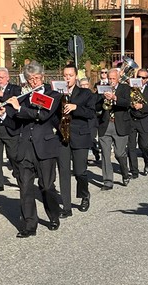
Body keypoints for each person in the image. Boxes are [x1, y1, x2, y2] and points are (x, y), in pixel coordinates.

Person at [6, 61, 62, 238]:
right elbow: (14, 121)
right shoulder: (23, 96)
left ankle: (54, 215)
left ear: (43, 77)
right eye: (30, 79)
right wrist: (5, 111)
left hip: (44, 146)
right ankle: (29, 225)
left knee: (46, 187)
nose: (34, 82)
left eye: (37, 78)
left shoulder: (53, 95)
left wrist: (20, 108)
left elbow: (43, 115)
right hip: (25, 147)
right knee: (25, 188)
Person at [56, 64, 95, 219]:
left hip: (80, 135)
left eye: (70, 75)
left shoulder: (85, 93)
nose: (67, 78)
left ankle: (84, 195)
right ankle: (66, 207)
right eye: (65, 75)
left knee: (80, 171)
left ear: (76, 76)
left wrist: (75, 107)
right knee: (64, 172)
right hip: (63, 137)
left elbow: (91, 113)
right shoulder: (58, 94)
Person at [97, 68, 131, 190]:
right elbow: (96, 106)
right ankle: (107, 181)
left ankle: (125, 173)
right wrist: (101, 97)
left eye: (113, 79)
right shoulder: (102, 87)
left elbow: (128, 103)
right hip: (105, 125)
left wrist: (115, 98)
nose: (111, 81)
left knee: (119, 153)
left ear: (118, 79)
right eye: (109, 79)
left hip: (120, 124)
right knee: (105, 154)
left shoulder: (125, 88)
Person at [128, 69, 148, 178]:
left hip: (144, 120)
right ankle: (134, 171)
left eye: (143, 78)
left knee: (143, 145)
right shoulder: (131, 88)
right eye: (139, 77)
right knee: (131, 146)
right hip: (132, 120)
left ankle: (147, 162)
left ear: (147, 79)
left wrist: (142, 107)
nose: (141, 79)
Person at [79, 77, 100, 162]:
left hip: (91, 121)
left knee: (91, 139)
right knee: (83, 140)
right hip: (82, 121)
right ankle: (83, 159)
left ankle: (95, 151)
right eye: (82, 85)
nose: (84, 86)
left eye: (85, 85)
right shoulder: (77, 95)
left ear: (89, 85)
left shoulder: (93, 95)